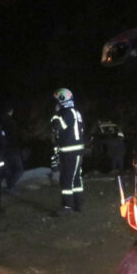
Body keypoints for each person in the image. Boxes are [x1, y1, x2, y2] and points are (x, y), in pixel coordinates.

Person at [50, 87, 85, 216]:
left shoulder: (67, 113)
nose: (56, 104)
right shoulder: (76, 112)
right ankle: (77, 203)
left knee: (66, 179)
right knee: (76, 178)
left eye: (57, 101)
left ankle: (67, 207)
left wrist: (55, 114)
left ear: (62, 100)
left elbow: (57, 127)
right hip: (76, 151)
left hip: (70, 151)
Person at [0, 101, 24, 193]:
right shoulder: (11, 122)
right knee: (19, 169)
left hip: (2, 150)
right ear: (11, 111)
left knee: (8, 170)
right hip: (12, 150)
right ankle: (10, 187)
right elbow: (14, 137)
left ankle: (7, 186)